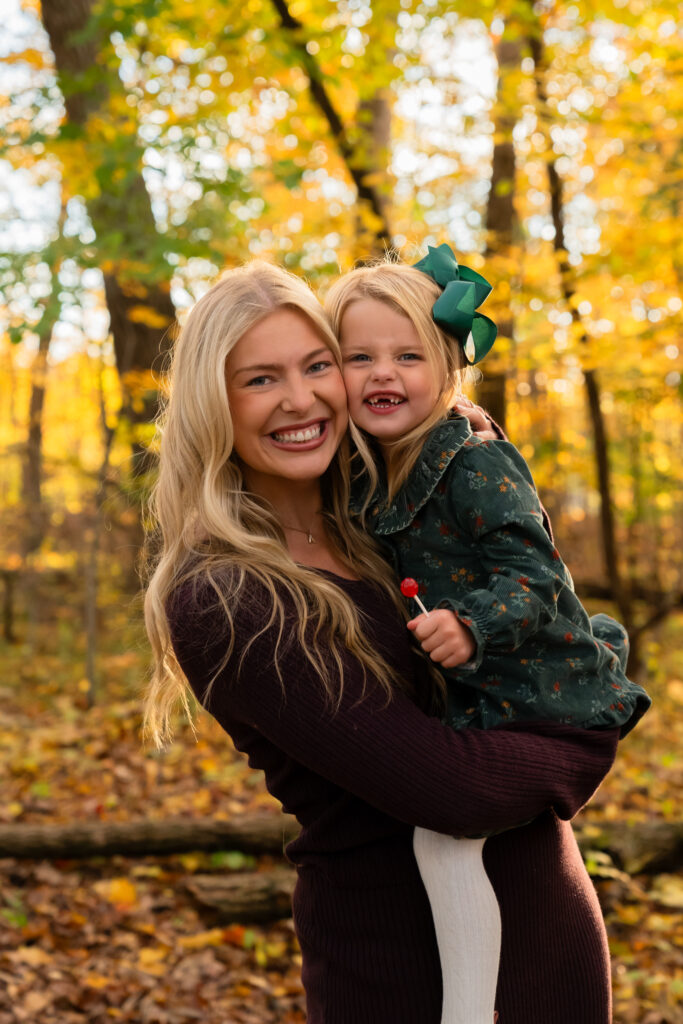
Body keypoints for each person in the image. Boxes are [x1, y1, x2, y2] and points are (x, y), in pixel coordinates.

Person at [143, 258, 623, 1024]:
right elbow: (447, 788)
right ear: (212, 405)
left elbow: (520, 571)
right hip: (407, 970)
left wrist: (466, 424)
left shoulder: (378, 509)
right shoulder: (228, 597)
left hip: (542, 933)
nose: (301, 400)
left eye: (317, 365)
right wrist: (589, 740)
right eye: (260, 380)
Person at [325, 243, 651, 1024]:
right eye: (357, 356)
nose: (382, 374)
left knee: (442, 841)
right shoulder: (378, 461)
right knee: (442, 845)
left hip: (530, 678)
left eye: (407, 355)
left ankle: (468, 1012)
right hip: (486, 685)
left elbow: (537, 577)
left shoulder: (473, 462)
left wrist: (473, 626)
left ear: (448, 367)